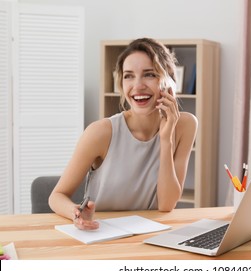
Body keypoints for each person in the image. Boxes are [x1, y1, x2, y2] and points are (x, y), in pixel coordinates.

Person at [49, 38, 198, 230]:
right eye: (128, 76)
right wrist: (76, 213)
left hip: (150, 234)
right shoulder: (100, 132)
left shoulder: (184, 125)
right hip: (100, 233)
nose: (137, 85)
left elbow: (166, 205)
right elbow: (57, 196)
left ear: (168, 83)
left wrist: (166, 138)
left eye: (149, 74)